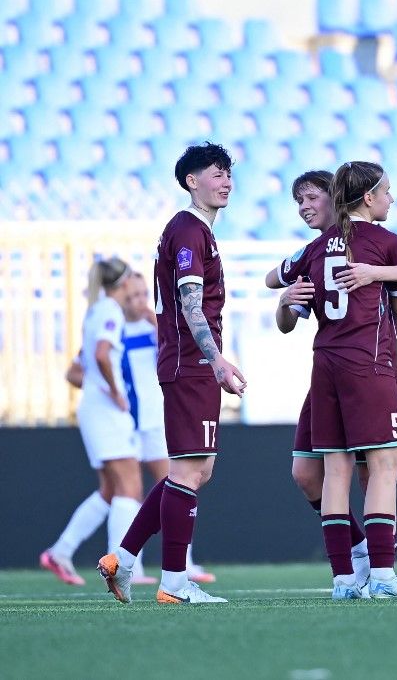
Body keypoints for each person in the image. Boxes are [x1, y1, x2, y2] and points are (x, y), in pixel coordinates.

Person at [267, 161, 397, 599]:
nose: (392, 199)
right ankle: (381, 575)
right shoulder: (383, 240)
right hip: (369, 363)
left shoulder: (316, 249)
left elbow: (273, 276)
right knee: (384, 467)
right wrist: (379, 273)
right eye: (388, 191)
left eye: (310, 198)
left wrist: (286, 291)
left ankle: (343, 579)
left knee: (335, 471)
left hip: (325, 364)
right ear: (369, 197)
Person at [98, 142, 246, 605]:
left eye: (228, 173)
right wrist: (215, 358)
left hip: (190, 362)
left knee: (197, 468)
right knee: (188, 470)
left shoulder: (196, 230)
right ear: (191, 181)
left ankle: (121, 558)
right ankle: (174, 584)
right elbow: (190, 303)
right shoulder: (188, 230)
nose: (225, 180)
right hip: (190, 362)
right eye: (215, 173)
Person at [41, 258, 138, 586]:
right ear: (124, 284)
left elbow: (74, 371)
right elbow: (99, 354)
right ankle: (118, 567)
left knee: (110, 489)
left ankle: (61, 551)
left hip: (92, 408)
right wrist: (113, 391)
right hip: (106, 410)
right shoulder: (111, 310)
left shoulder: (93, 312)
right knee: (129, 487)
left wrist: (98, 389)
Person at [120, 271, 216, 584]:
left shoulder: (155, 322)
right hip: (138, 415)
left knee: (184, 478)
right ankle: (172, 568)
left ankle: (125, 558)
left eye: (141, 294)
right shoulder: (115, 328)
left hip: (157, 411)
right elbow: (83, 366)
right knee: (178, 480)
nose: (138, 302)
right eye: (131, 296)